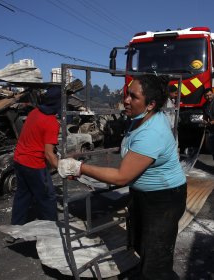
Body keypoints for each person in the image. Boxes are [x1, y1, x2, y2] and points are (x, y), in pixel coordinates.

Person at [58, 74, 187, 280]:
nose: (126, 100)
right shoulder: (140, 119)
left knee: (157, 262)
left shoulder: (152, 132)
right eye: (127, 94)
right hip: (143, 195)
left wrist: (79, 168)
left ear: (150, 104)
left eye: (133, 97)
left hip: (163, 200)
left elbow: (121, 177)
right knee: (141, 244)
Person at [10, 87, 61, 225]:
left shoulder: (34, 112)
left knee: (23, 196)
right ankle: (52, 231)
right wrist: (63, 169)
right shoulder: (52, 123)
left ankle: (15, 229)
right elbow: (49, 155)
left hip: (19, 160)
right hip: (34, 165)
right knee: (47, 198)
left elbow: (35, 137)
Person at [203, 88, 214, 160]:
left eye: (210, 95)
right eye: (207, 96)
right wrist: (204, 121)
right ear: (204, 96)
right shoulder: (205, 105)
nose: (209, 97)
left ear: (213, 94)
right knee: (212, 148)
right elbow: (205, 117)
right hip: (211, 129)